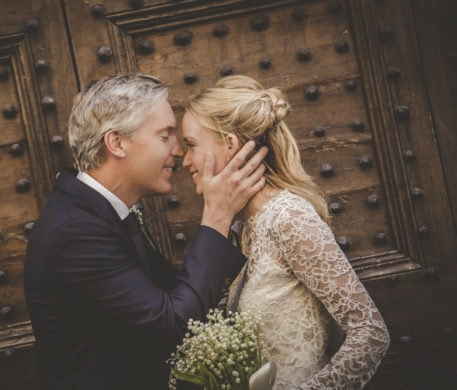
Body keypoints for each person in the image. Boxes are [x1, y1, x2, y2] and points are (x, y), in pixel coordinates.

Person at [23, 72, 268, 390]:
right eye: (165, 135)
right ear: (117, 143)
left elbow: (173, 297)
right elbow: (174, 325)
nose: (178, 151)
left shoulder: (103, 212)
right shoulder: (75, 233)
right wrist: (217, 217)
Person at [180, 75, 391, 389]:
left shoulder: (288, 217)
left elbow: (371, 334)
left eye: (191, 146)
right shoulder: (241, 229)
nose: (185, 161)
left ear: (229, 145)